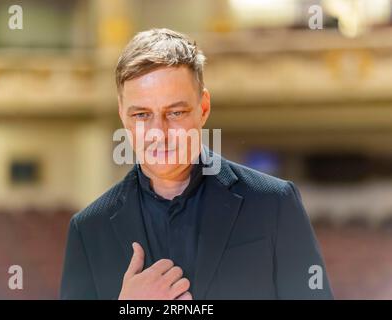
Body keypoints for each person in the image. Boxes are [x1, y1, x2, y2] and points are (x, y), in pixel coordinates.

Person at [60, 28, 333, 300]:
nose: (159, 132)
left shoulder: (274, 203)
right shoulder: (88, 231)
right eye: (142, 115)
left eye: (175, 112)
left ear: (203, 108)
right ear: (123, 115)